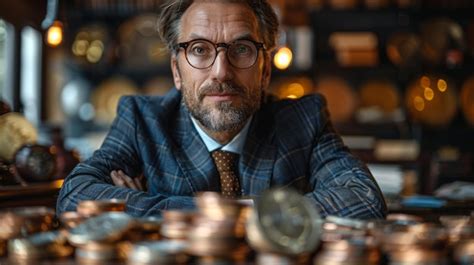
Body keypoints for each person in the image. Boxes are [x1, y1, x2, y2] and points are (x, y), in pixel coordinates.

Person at [57, 0, 387, 219]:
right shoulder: (142, 119)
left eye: (241, 49)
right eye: (199, 49)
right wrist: (274, 215)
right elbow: (75, 195)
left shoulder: (304, 120)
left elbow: (363, 200)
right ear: (176, 70)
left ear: (266, 70)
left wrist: (140, 206)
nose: (221, 72)